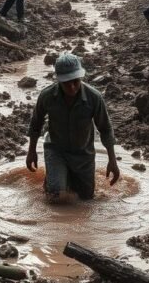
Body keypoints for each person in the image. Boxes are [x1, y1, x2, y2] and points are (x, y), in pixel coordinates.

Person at [26, 52, 119, 201]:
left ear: (81, 77)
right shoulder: (47, 96)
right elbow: (36, 123)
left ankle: (62, 178)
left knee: (86, 199)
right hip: (57, 150)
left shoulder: (94, 98)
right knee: (56, 197)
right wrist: (31, 152)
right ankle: (55, 179)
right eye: (66, 83)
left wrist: (112, 160)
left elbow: (105, 129)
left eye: (75, 81)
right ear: (58, 80)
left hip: (83, 154)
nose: (72, 87)